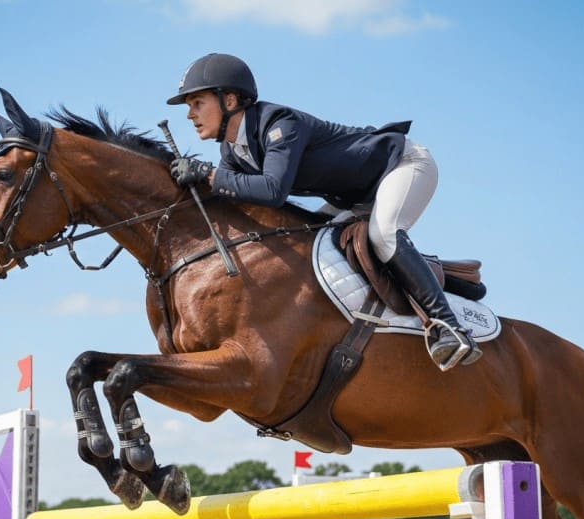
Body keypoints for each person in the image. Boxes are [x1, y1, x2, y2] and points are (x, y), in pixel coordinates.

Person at [166, 53, 481, 369]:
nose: (190, 115)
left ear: (230, 99)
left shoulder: (278, 124)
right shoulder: (232, 149)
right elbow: (235, 196)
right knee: (310, 241)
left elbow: (272, 191)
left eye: (197, 103)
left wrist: (206, 174)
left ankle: (448, 327)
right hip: (353, 196)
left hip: (401, 165)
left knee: (383, 235)